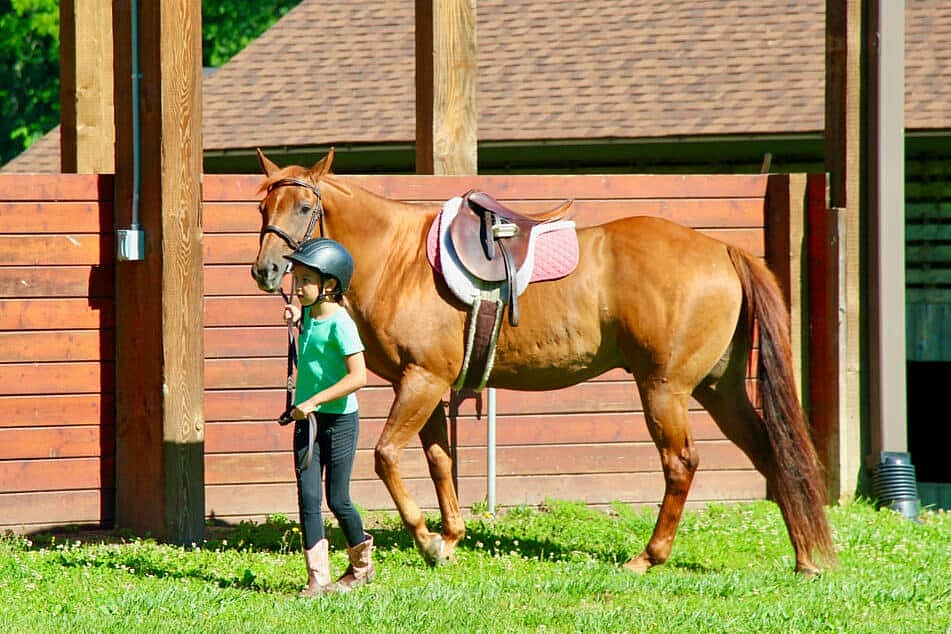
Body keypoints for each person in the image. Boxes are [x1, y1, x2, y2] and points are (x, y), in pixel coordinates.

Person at [281, 237, 374, 597]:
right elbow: (305, 324)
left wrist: (314, 401)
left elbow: (358, 377)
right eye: (297, 278)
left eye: (306, 280)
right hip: (307, 422)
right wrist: (295, 316)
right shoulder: (308, 313)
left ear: (330, 285)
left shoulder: (342, 324)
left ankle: (362, 566)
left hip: (338, 422)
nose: (298, 287)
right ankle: (317, 578)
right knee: (308, 499)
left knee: (338, 500)